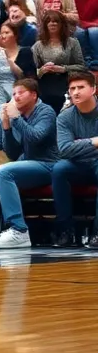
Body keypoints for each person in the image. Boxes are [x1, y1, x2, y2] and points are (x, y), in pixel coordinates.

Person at [0, 79, 59, 249]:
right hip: (29, 163)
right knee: (1, 173)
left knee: (2, 172)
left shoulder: (46, 111)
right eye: (14, 94)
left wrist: (16, 118)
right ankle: (11, 228)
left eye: (21, 93)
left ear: (34, 95)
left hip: (50, 164)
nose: (16, 97)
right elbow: (12, 153)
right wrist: (6, 127)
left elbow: (35, 138)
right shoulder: (18, 116)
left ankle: (19, 230)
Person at [51, 72, 98, 249]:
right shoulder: (65, 117)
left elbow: (71, 147)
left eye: (81, 87)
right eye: (72, 88)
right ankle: (66, 231)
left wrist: (78, 144)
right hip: (77, 164)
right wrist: (94, 142)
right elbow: (65, 149)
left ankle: (97, 232)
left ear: (93, 89)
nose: (76, 92)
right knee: (59, 169)